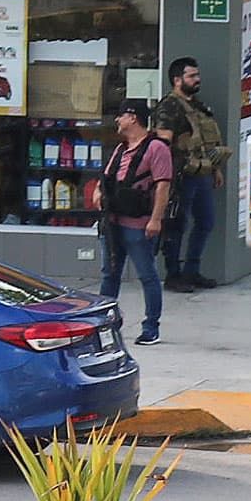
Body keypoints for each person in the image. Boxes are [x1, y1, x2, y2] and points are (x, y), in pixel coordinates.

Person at [153, 56, 230, 291]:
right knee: (176, 224)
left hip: (202, 173)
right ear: (177, 80)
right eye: (192, 76)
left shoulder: (197, 105)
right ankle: (173, 275)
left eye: (197, 75)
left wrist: (215, 169)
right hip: (180, 175)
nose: (197, 79)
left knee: (205, 222)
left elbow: (207, 141)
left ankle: (192, 271)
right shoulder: (169, 106)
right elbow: (162, 143)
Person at [99, 100, 172, 346]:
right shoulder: (121, 148)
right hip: (113, 222)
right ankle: (105, 324)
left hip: (138, 224)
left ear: (133, 117)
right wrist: (100, 192)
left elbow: (163, 185)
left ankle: (151, 326)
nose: (117, 120)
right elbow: (108, 176)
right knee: (109, 274)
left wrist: (155, 219)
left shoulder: (157, 148)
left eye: (120, 115)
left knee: (147, 276)